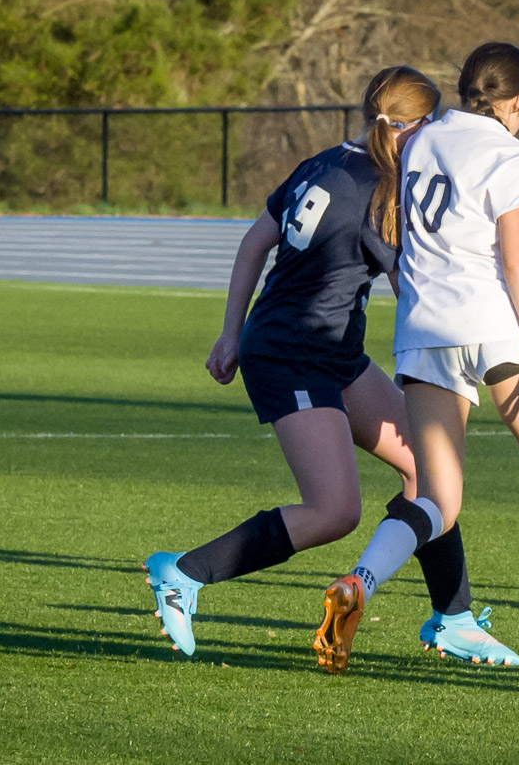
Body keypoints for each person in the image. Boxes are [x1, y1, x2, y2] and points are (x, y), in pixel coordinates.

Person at [314, 42, 519, 677]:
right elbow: (517, 264)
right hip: (491, 330)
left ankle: (360, 583)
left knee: (437, 499)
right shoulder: (515, 157)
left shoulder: (422, 138)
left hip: (422, 330)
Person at [143, 66, 444, 657]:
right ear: (417, 128)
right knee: (335, 510)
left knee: (431, 471)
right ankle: (183, 573)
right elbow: (412, 291)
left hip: (330, 351)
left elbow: (256, 239)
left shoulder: (325, 161)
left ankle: (450, 618)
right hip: (292, 354)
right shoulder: (383, 189)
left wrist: (230, 333)